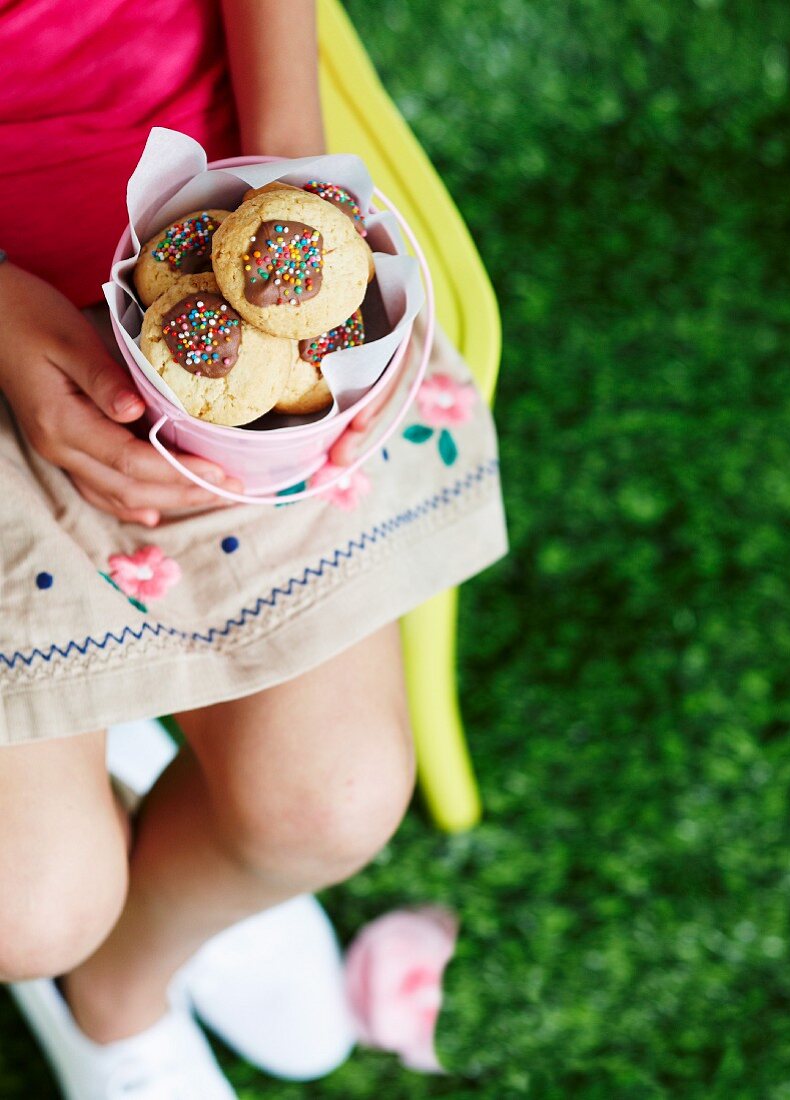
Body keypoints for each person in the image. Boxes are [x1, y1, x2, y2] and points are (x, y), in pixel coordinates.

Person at [0, 0, 507, 1095]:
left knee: (322, 803)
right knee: (29, 911)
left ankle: (123, 988)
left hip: (204, 186)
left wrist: (291, 183)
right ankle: (101, 824)